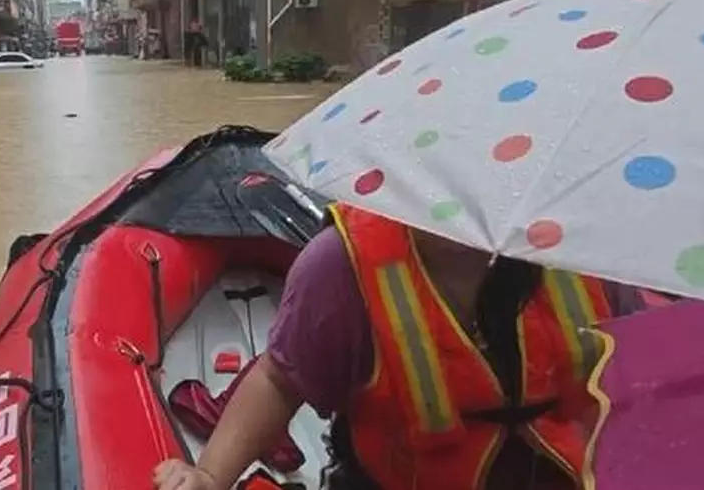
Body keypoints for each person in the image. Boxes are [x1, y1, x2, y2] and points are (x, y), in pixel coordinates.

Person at [154, 202, 646, 490]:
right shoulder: (340, 267)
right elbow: (279, 381)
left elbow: (649, 382)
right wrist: (210, 476)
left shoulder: (585, 250)